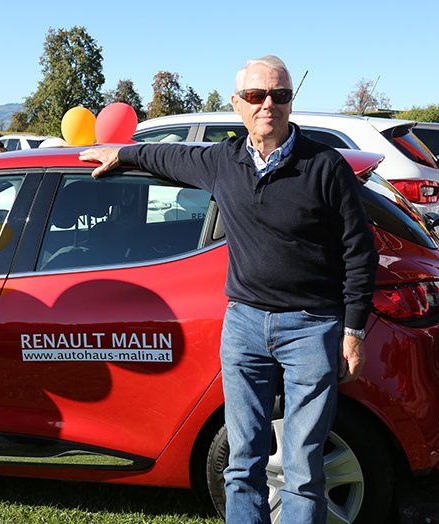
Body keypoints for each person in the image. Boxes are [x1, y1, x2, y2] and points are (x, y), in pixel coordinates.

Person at [79, 55, 377, 523]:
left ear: (290, 102)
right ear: (238, 103)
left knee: (303, 468)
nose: (268, 105)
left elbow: (360, 252)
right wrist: (123, 153)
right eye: (256, 95)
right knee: (242, 462)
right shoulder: (224, 160)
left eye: (279, 95)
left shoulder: (325, 166)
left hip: (311, 327)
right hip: (244, 327)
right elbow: (168, 157)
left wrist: (353, 331)